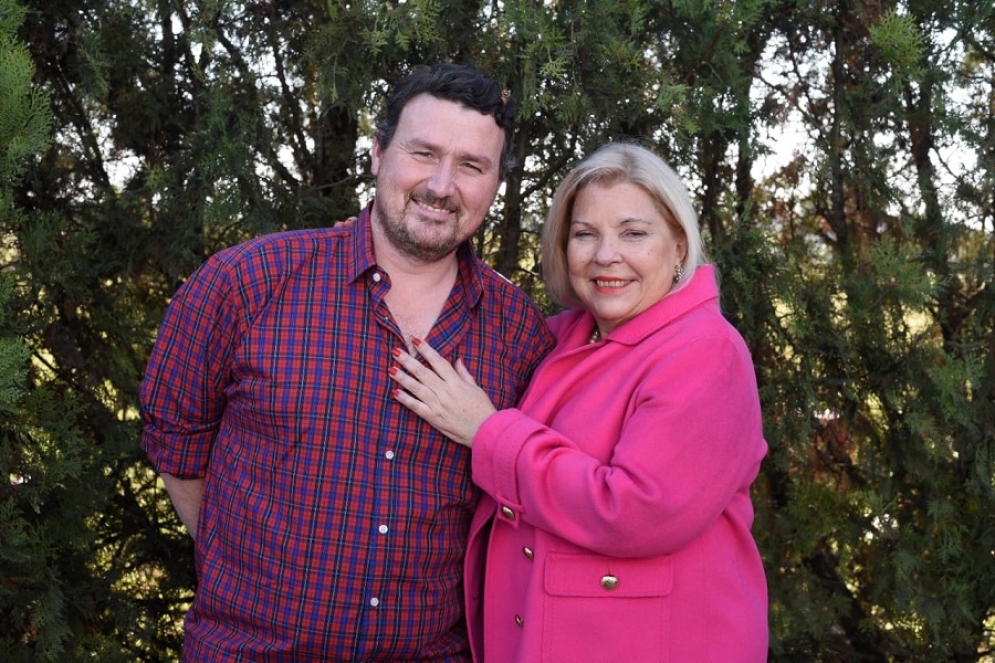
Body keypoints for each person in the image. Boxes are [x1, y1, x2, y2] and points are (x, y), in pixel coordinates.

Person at [139, 63, 555, 662]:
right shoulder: (247, 284)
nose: (441, 185)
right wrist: (249, 566)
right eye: (423, 153)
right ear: (378, 153)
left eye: (471, 166)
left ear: (494, 184)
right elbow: (176, 442)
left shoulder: (518, 333)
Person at [388, 141, 769, 661]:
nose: (605, 255)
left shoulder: (706, 352)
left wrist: (488, 433)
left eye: (634, 233)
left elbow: (635, 511)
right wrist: (389, 254)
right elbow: (474, 322)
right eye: (585, 234)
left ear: (678, 245)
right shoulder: (564, 336)